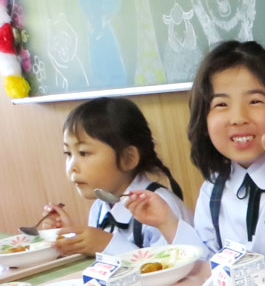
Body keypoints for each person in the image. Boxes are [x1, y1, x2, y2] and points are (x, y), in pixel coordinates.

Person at [126, 40, 265, 283]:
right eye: (221, 104)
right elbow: (208, 266)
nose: (237, 118)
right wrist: (167, 222)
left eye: (254, 101)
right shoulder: (214, 186)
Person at [41, 97, 191, 256]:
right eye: (68, 153)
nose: (72, 167)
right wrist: (72, 238)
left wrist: (106, 244)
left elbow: (174, 265)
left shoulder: (161, 206)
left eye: (83, 153)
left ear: (128, 158)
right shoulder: (99, 207)